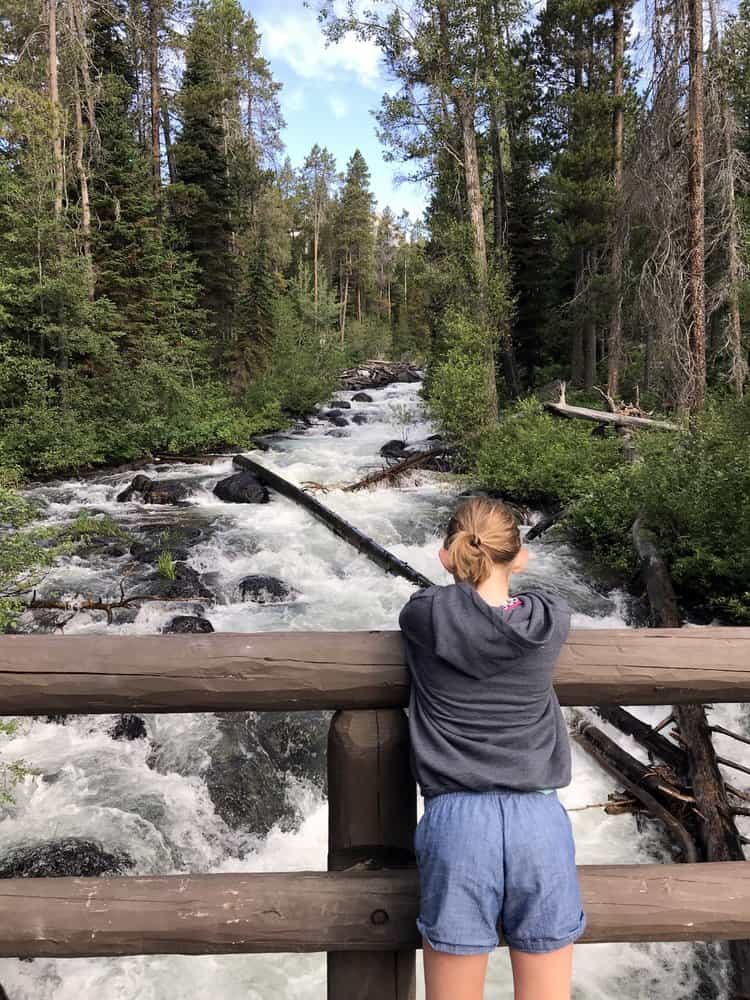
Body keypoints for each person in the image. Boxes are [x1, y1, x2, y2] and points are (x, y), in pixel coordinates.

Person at [399, 496, 585, 1000]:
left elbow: (449, 603)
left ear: (447, 554)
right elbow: (521, 605)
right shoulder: (549, 622)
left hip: (457, 822)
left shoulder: (422, 617)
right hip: (539, 820)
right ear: (518, 557)